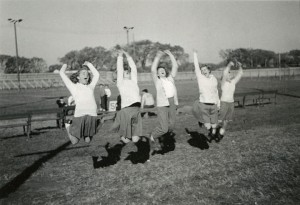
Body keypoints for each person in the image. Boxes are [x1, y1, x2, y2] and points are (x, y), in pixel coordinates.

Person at [59, 61, 100, 145]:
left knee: (87, 140)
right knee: (74, 141)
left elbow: (97, 75)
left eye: (87, 74)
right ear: (78, 77)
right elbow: (61, 73)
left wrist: (89, 64)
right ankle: (67, 125)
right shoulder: (74, 87)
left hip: (92, 115)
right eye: (83, 73)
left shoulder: (90, 86)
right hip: (80, 115)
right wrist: (65, 65)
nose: (86, 75)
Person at [110, 50, 142, 145]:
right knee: (126, 140)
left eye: (128, 70)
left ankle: (122, 129)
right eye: (125, 71)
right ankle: (121, 132)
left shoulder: (134, 81)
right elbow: (120, 69)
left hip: (136, 110)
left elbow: (134, 68)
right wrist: (120, 57)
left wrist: (128, 55)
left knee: (136, 140)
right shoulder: (121, 83)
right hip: (126, 110)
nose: (127, 71)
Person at [149, 50, 178, 152]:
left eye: (163, 70)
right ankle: (153, 136)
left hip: (172, 103)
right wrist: (157, 57)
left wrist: (170, 54)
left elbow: (175, 67)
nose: (162, 71)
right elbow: (153, 69)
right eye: (159, 70)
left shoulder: (170, 78)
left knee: (172, 126)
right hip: (162, 105)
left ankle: (163, 137)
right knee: (164, 128)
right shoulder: (157, 80)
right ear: (157, 73)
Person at [192, 51, 220, 142]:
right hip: (204, 104)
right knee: (208, 126)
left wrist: (218, 103)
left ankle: (212, 133)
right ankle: (208, 128)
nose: (203, 71)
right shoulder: (200, 78)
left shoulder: (214, 79)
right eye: (202, 70)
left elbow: (216, 92)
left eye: (205, 70)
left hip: (213, 104)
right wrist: (195, 54)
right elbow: (196, 66)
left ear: (209, 70)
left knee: (214, 125)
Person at [217, 60, 243, 140]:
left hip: (231, 103)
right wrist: (229, 65)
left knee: (227, 120)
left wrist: (240, 67)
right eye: (228, 73)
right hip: (224, 102)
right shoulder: (223, 83)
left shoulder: (233, 82)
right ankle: (213, 129)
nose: (229, 74)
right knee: (220, 120)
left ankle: (221, 133)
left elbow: (240, 74)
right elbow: (225, 73)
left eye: (230, 73)